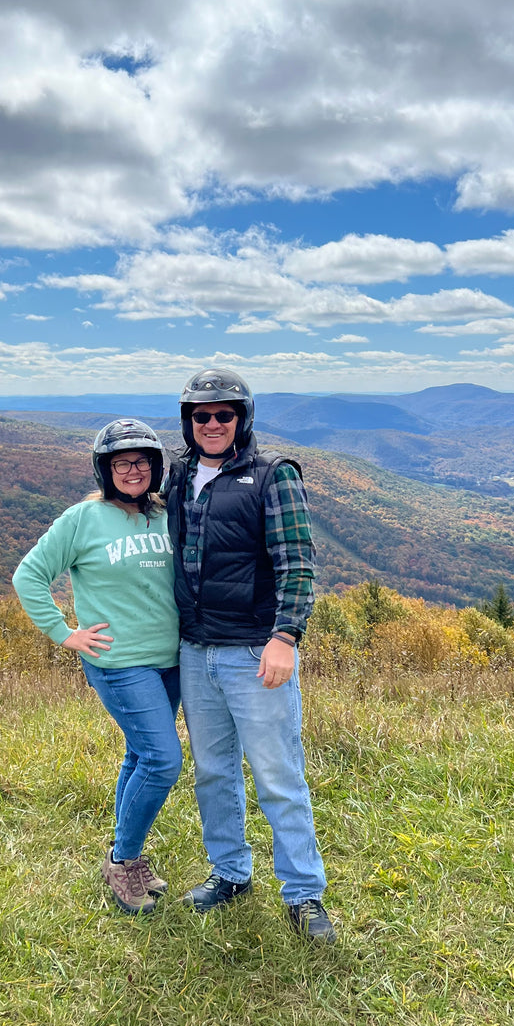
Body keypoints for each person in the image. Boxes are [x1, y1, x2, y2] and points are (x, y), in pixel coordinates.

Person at [167, 369, 335, 942]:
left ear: (243, 418)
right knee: (213, 774)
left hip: (253, 653)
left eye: (224, 414)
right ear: (188, 421)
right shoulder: (180, 474)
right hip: (195, 650)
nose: (212, 424)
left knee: (278, 776)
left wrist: (285, 637)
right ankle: (231, 873)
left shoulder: (273, 476)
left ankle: (304, 894)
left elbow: (297, 562)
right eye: (201, 415)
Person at [12, 420, 181, 916]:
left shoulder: (166, 513)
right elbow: (30, 575)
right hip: (119, 662)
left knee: (140, 755)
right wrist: (65, 633)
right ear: (105, 469)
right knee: (163, 760)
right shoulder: (82, 519)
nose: (134, 470)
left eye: (143, 461)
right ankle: (122, 859)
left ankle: (124, 852)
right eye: (122, 463)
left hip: (169, 659)